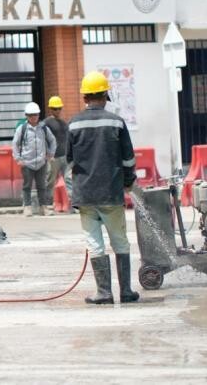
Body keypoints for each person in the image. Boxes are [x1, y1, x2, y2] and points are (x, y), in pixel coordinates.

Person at [67, 71, 139, 305]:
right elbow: (128, 158)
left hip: (85, 195)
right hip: (111, 193)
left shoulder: (74, 124)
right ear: (105, 94)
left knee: (94, 243)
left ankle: (104, 293)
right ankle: (126, 292)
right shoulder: (116, 122)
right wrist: (128, 182)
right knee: (120, 240)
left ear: (85, 96)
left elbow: (69, 161)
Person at [12, 102, 56, 217]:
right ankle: (27, 207)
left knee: (42, 186)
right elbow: (15, 144)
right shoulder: (22, 129)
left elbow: (52, 140)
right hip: (27, 163)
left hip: (41, 162)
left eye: (36, 115)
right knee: (27, 186)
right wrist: (18, 159)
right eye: (31, 115)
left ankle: (43, 207)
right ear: (26, 116)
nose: (33, 117)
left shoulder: (44, 128)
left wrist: (50, 153)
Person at [43, 96, 71, 210]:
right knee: (50, 180)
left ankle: (69, 204)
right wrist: (48, 155)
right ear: (50, 109)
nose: (57, 111)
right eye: (55, 108)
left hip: (64, 156)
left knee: (68, 180)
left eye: (59, 108)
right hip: (53, 157)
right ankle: (47, 204)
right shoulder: (46, 123)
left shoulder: (64, 123)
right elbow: (43, 139)